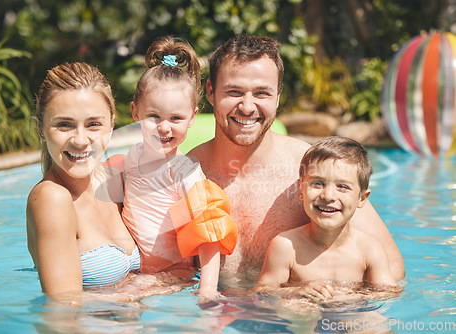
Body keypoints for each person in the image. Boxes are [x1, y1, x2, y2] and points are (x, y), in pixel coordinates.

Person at [188, 34, 405, 282]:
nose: (247, 107)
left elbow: (392, 268)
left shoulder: (310, 168)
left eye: (262, 93)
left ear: (278, 96)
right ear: (211, 92)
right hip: (212, 312)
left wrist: (325, 300)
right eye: (234, 91)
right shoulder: (186, 174)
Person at [106, 36, 237, 299]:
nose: (164, 127)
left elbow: (209, 232)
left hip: (175, 274)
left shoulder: (184, 172)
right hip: (137, 272)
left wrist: (208, 290)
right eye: (153, 116)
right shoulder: (129, 159)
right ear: (135, 112)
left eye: (176, 118)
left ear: (192, 118)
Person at [26, 62, 140, 302]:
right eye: (64, 125)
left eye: (93, 124)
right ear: (40, 129)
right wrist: (152, 289)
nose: (80, 140)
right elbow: (63, 309)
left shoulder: (113, 181)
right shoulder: (52, 198)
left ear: (111, 124)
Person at [257, 136, 397, 298]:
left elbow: (389, 293)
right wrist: (296, 291)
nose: (328, 195)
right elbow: (262, 292)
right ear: (301, 190)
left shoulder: (368, 249)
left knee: (372, 319)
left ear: (362, 198)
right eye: (318, 183)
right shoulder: (285, 246)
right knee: (295, 305)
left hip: (351, 315)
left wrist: (351, 298)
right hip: (304, 317)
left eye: (342, 186)